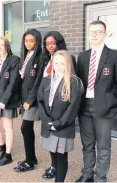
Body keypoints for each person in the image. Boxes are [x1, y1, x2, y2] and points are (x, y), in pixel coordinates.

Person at [75, 20, 117, 183]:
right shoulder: (83, 56)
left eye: (98, 31)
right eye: (92, 31)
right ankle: (87, 175)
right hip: (85, 107)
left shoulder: (113, 56)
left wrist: (112, 103)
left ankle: (100, 178)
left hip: (104, 109)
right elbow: (79, 83)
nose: (94, 34)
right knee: (87, 145)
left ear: (104, 34)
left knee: (104, 147)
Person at [38, 50, 84, 182]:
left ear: (68, 64)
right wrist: (47, 121)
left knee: (61, 156)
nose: (58, 66)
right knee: (52, 151)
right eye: (56, 63)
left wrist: (58, 123)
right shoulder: (47, 80)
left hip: (63, 127)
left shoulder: (74, 82)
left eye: (62, 63)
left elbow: (73, 108)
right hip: (48, 124)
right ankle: (54, 170)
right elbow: (40, 100)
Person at [41, 30, 77, 179]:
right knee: (51, 146)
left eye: (53, 43)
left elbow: (72, 101)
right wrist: (46, 118)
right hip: (49, 116)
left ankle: (59, 174)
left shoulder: (71, 69)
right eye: (47, 43)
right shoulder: (47, 64)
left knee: (61, 152)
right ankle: (53, 166)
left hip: (62, 118)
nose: (50, 46)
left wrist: (59, 122)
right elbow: (41, 95)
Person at [14, 29, 44, 172]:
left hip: (32, 100)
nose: (28, 43)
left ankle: (30, 161)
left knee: (25, 128)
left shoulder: (41, 57)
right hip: (24, 99)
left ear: (37, 41)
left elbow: (38, 82)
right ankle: (31, 158)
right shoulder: (25, 56)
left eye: (31, 41)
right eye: (26, 41)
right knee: (27, 129)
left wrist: (29, 100)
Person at [0, 36, 20, 166]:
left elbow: (13, 82)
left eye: (2, 45)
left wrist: (5, 100)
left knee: (8, 127)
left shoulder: (14, 60)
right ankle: (2, 148)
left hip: (7, 97)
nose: (0, 47)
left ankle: (8, 155)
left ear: (7, 46)